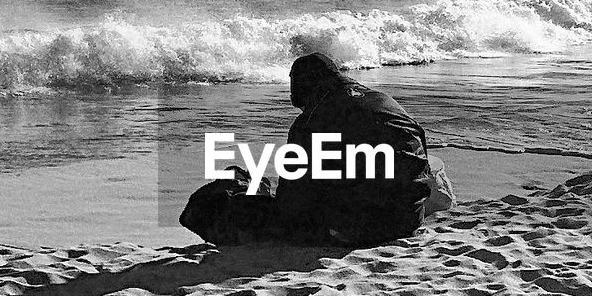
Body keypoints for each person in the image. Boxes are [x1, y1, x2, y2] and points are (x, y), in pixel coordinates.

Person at [180, 52, 435, 248]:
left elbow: (293, 203)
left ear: (302, 87)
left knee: (211, 204)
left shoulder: (311, 122)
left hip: (359, 230)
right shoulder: (385, 101)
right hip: (409, 219)